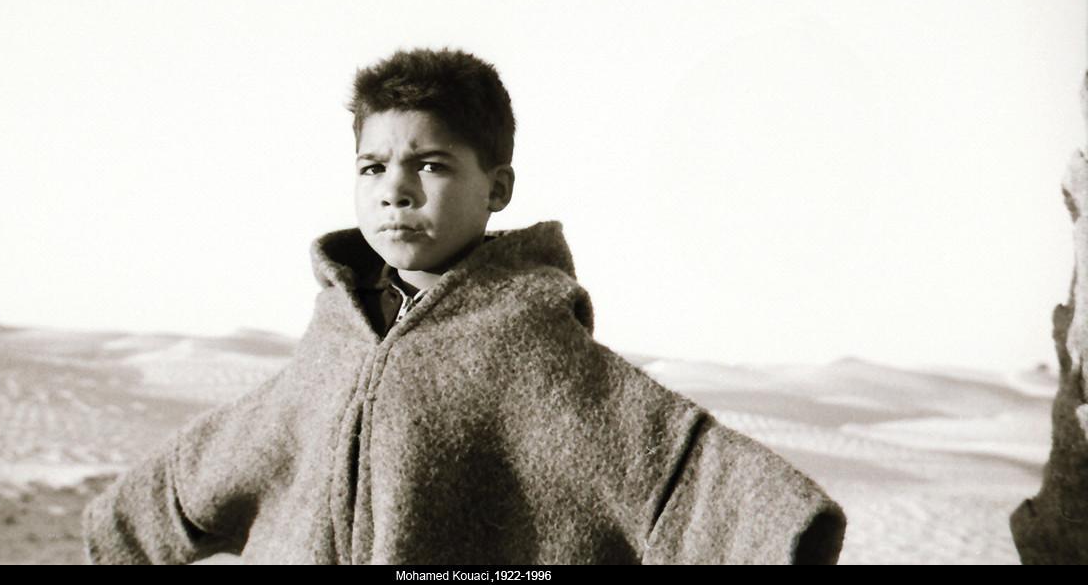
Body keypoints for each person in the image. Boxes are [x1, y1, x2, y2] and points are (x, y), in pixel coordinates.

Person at [82, 48, 846, 565]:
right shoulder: (338, 339)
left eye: (432, 164)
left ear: (498, 190)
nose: (396, 188)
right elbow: (229, 451)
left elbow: (677, 470)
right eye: (373, 166)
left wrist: (781, 533)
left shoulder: (531, 346)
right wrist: (122, 525)